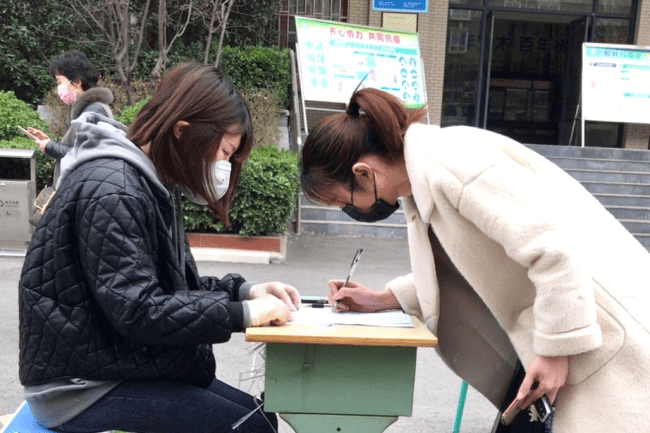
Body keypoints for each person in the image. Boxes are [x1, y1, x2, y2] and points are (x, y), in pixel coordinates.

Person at [299, 87, 650, 432]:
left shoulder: (453, 165)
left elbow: (553, 247)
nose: (350, 211)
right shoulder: (422, 179)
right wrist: (382, 299)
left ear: (363, 173)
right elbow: (460, 267)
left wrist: (557, 350)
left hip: (595, 333)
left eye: (343, 201)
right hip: (560, 334)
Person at [19, 61, 301, 433]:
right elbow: (139, 310)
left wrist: (245, 291)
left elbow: (168, 288)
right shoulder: (114, 190)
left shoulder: (143, 181)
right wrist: (244, 314)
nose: (224, 166)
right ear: (183, 132)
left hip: (112, 364)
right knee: (251, 428)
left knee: (259, 415)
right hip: (81, 387)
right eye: (224, 152)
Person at [26, 50, 114, 185]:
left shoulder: (94, 111)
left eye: (60, 82)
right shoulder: (84, 109)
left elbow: (88, 155)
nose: (58, 89)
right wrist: (48, 142)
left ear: (77, 81)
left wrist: (51, 147)